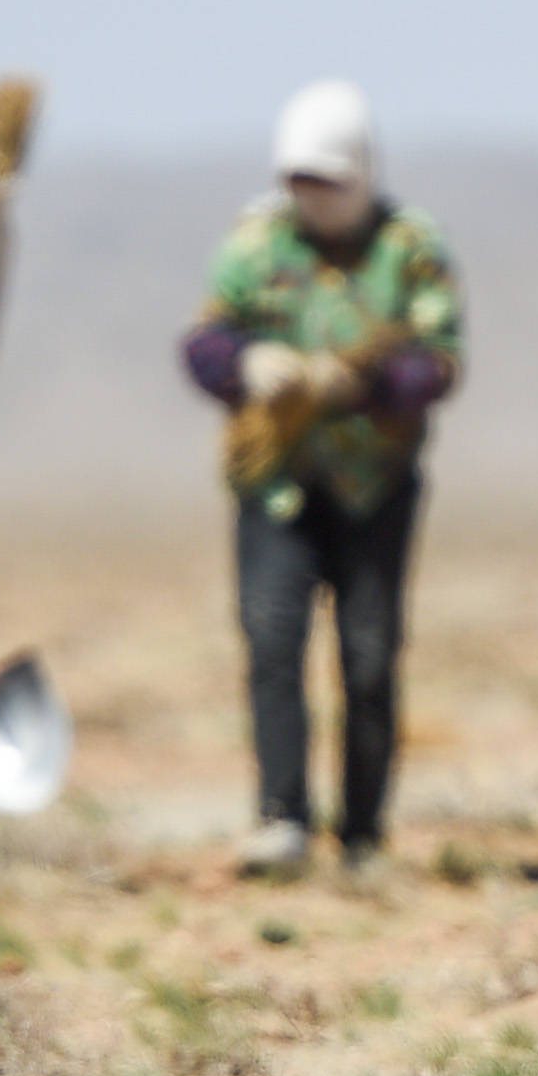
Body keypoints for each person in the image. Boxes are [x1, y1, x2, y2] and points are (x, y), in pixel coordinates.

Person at [181, 80, 463, 875]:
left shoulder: (410, 247)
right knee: (272, 644)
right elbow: (201, 344)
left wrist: (362, 386)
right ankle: (282, 819)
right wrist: (245, 364)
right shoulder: (255, 244)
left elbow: (439, 364)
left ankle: (364, 834)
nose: (313, 198)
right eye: (300, 182)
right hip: (276, 484)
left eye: (328, 182)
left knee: (369, 656)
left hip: (375, 485)